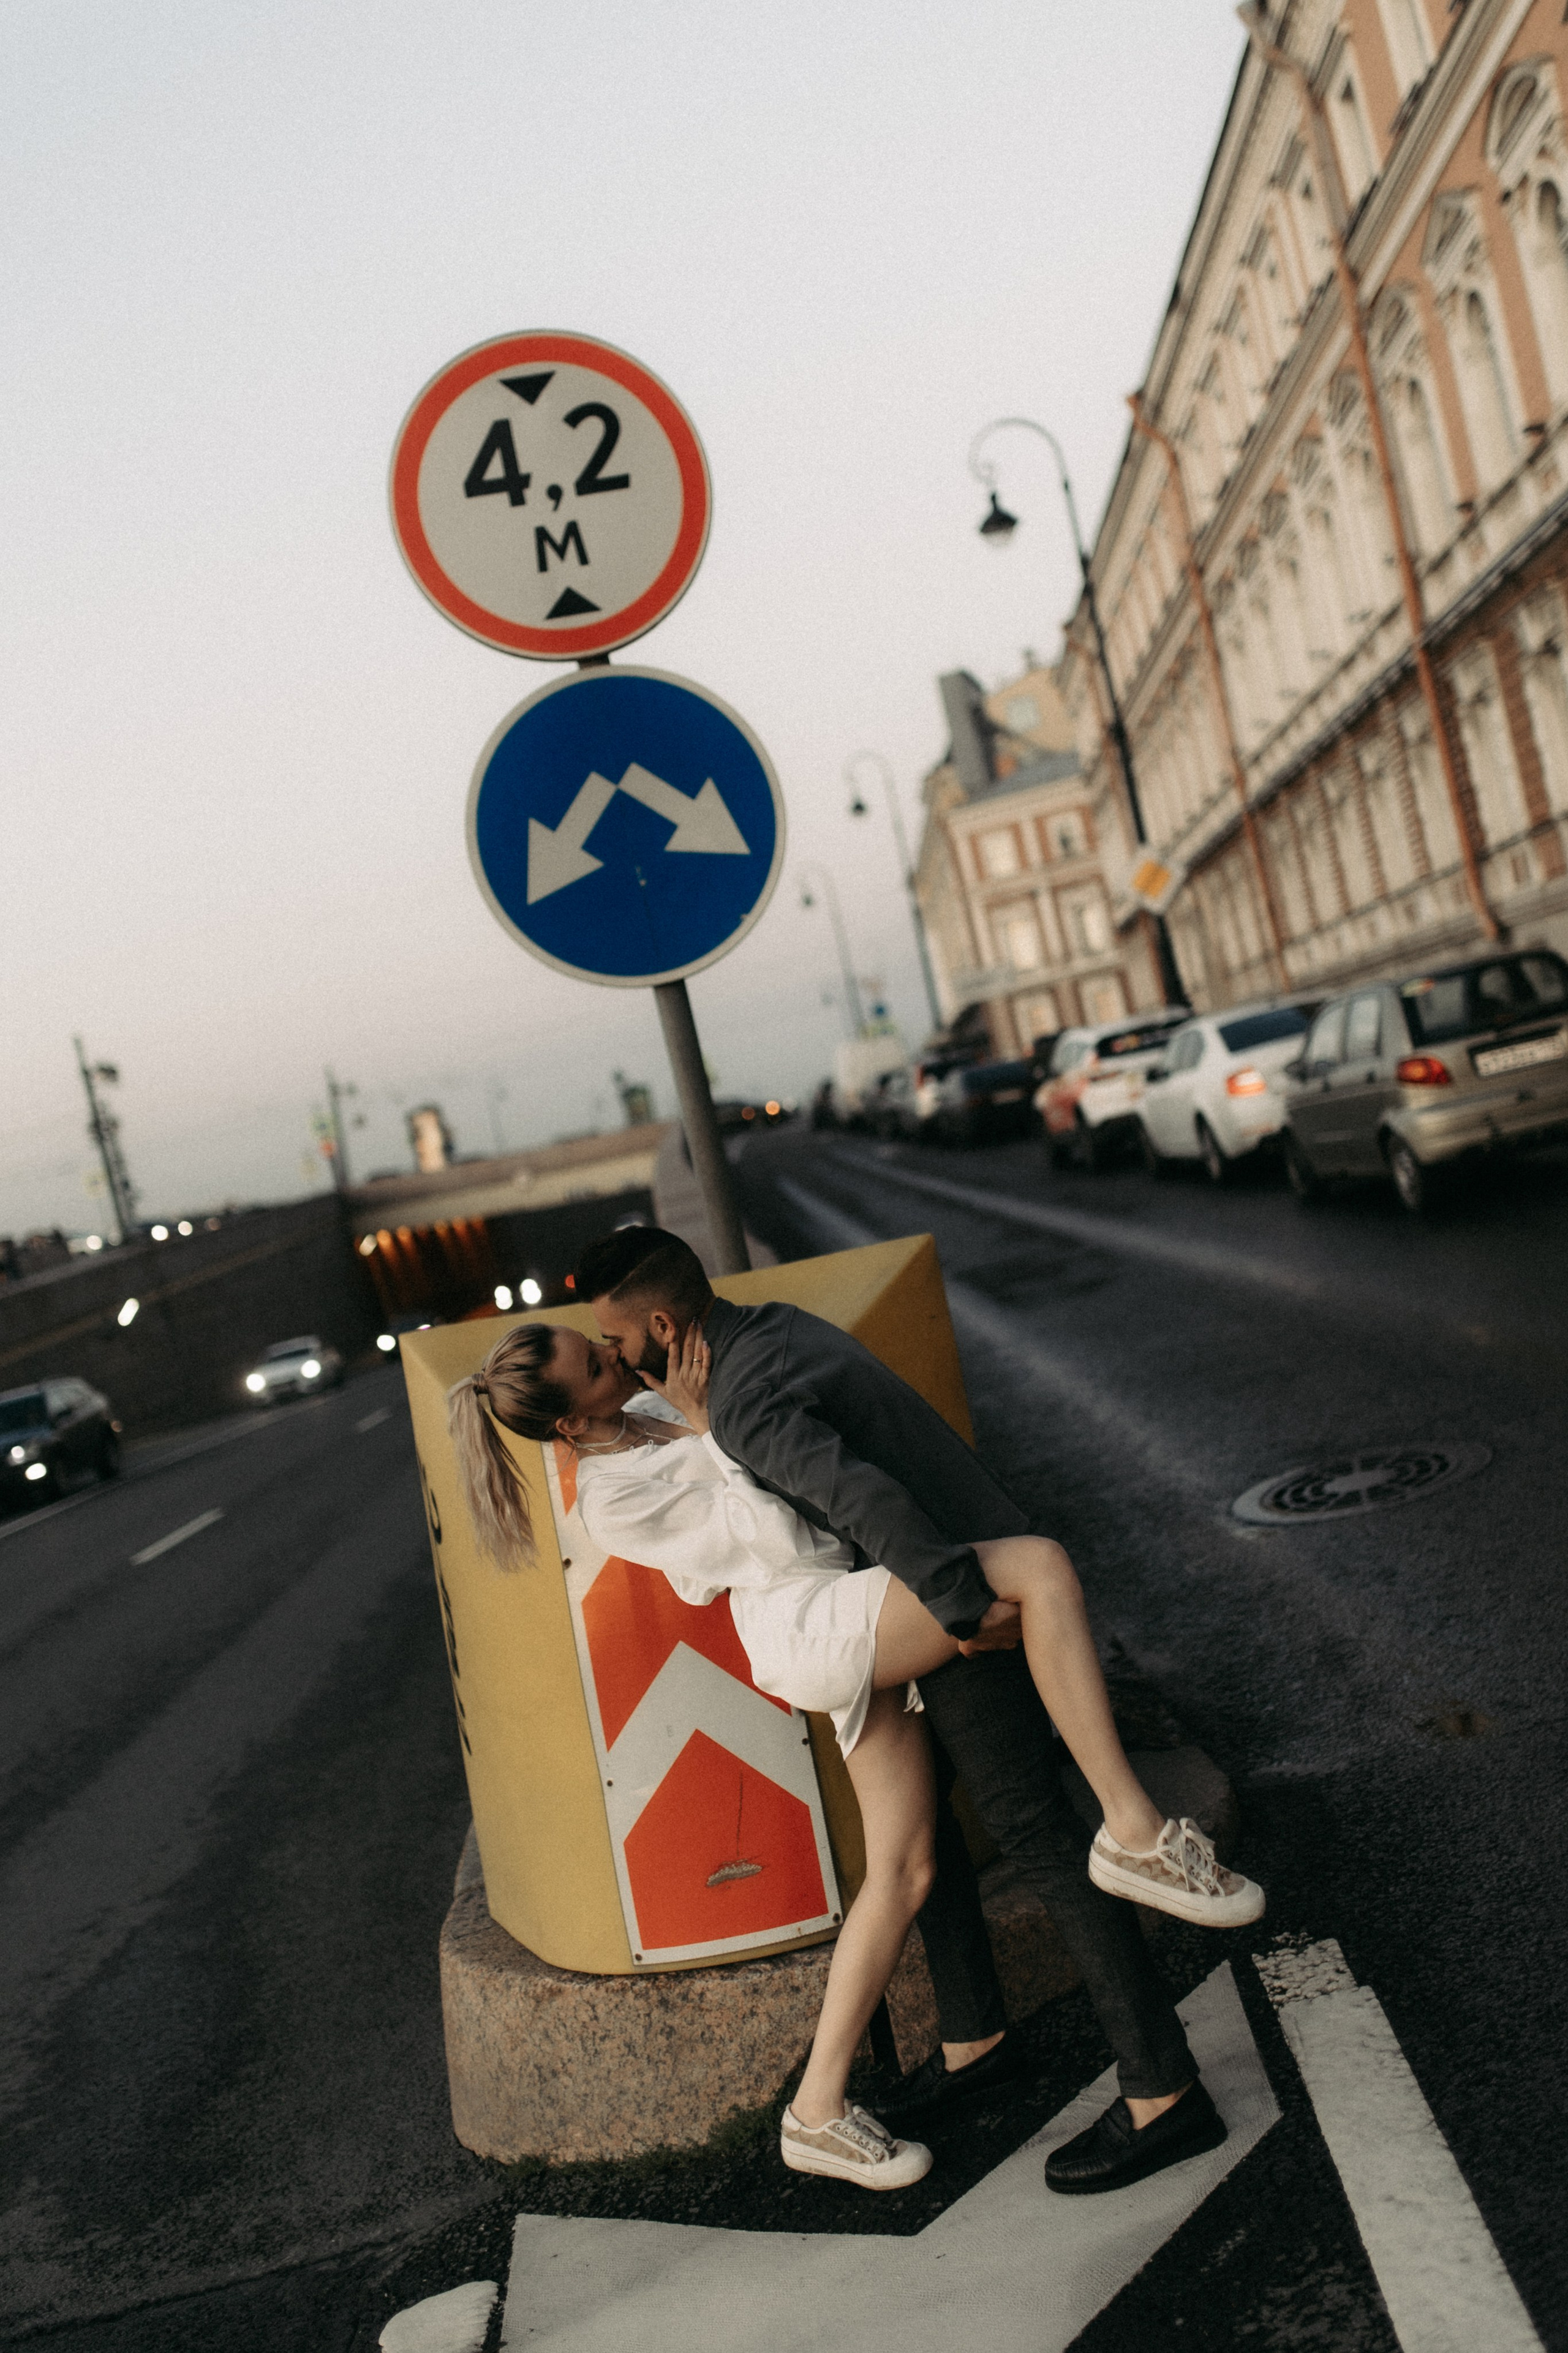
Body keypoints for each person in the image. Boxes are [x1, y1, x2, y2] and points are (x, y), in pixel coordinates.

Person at [448, 1256, 1263, 2197]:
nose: (608, 1354)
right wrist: (719, 1431)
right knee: (1036, 1574)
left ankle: (818, 2107)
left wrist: (707, 1424)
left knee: (908, 1864)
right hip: (814, 1623)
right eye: (591, 1364)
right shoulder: (614, 1498)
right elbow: (780, 1536)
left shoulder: (657, 1412)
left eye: (599, 1341)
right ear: (565, 1422)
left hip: (851, 1601)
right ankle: (1132, 1830)